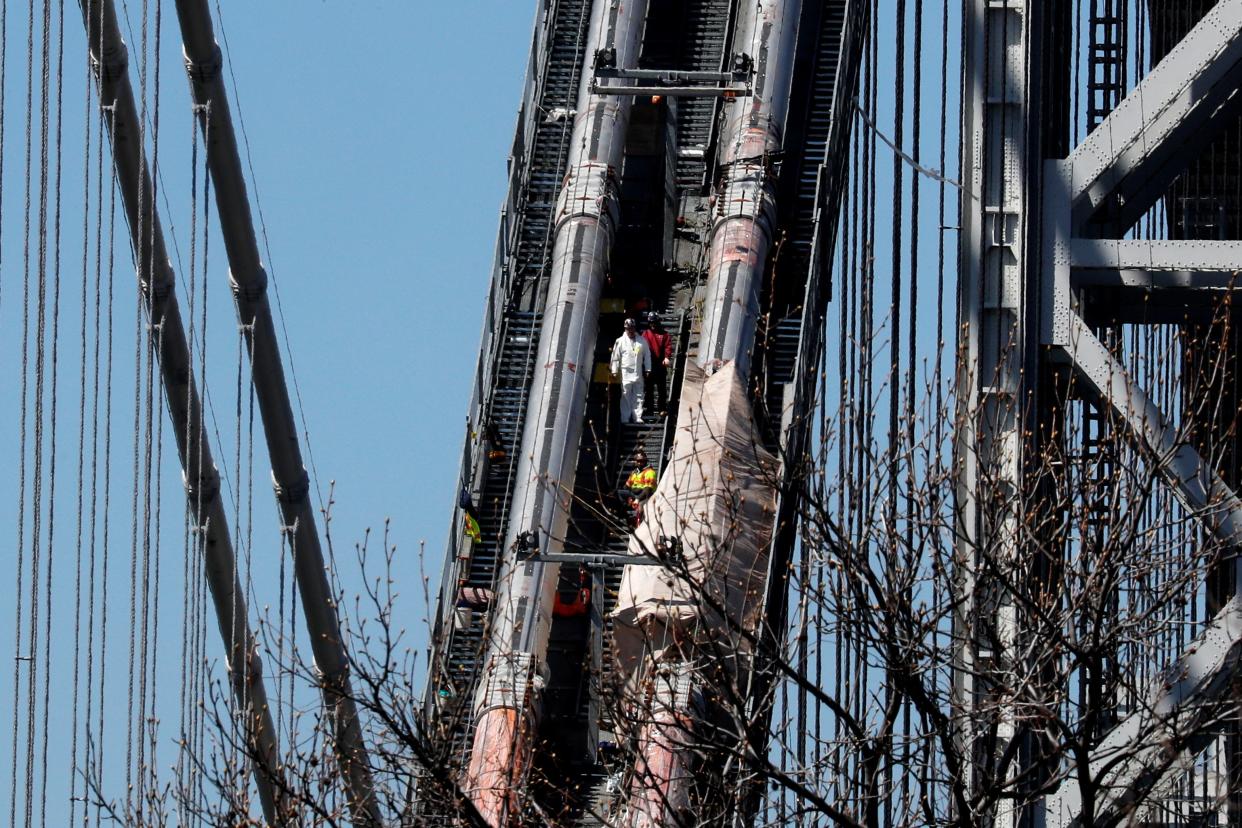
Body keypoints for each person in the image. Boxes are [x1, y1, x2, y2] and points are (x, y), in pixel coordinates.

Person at [610, 317, 651, 423]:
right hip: (625, 374)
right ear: (625, 329)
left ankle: (637, 416)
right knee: (625, 396)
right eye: (628, 329)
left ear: (634, 328)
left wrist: (648, 369)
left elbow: (647, 356)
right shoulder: (620, 341)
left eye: (632, 328)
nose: (630, 330)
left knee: (638, 395)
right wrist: (614, 370)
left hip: (638, 373)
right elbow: (615, 357)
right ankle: (625, 417)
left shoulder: (642, 341)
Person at [642, 312, 672, 417]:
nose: (652, 324)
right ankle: (649, 409)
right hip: (649, 366)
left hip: (660, 366)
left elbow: (668, 346)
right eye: (650, 322)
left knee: (661, 389)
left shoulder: (664, 334)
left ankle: (662, 409)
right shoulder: (645, 334)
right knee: (648, 389)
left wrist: (667, 357)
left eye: (654, 322)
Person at [622, 450, 657, 527]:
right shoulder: (634, 472)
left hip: (645, 496)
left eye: (642, 461)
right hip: (633, 494)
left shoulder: (650, 472)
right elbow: (626, 486)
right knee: (617, 494)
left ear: (645, 461)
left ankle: (639, 524)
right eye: (638, 461)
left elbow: (647, 490)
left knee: (641, 507)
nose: (640, 463)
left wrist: (637, 499)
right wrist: (629, 498)